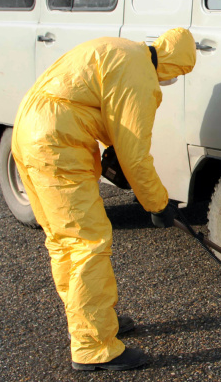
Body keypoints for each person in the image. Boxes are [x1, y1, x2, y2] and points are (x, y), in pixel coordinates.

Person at [11, 28, 196, 371]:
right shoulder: (141, 73)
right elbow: (135, 155)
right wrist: (157, 204)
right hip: (57, 140)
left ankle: (92, 320)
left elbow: (103, 115)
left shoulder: (120, 49)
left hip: (28, 129)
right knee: (88, 241)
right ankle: (94, 347)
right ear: (173, 64)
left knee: (62, 240)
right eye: (177, 73)